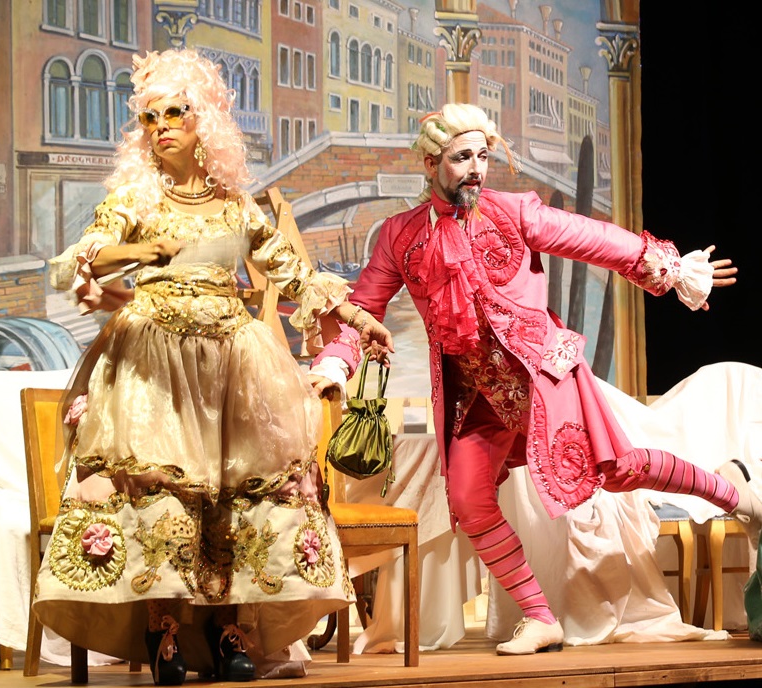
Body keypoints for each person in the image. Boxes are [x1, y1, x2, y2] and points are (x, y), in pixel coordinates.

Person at [311, 103, 762, 656]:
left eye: (482, 156)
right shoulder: (400, 236)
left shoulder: (513, 211)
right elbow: (362, 310)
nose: (476, 169)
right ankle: (539, 616)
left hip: (543, 374)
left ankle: (735, 494)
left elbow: (593, 238)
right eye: (461, 157)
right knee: (468, 499)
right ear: (430, 164)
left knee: (617, 469)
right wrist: (335, 363)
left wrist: (670, 270)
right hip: (476, 394)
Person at [33, 49, 388, 685]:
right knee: (164, 491)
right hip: (155, 361)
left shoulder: (236, 205)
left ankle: (230, 630)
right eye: (150, 117)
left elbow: (295, 273)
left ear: (205, 123)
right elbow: (85, 259)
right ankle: (163, 628)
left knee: (234, 495)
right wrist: (144, 248)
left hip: (230, 360)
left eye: (175, 112)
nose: (161, 126)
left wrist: (358, 318)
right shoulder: (136, 198)